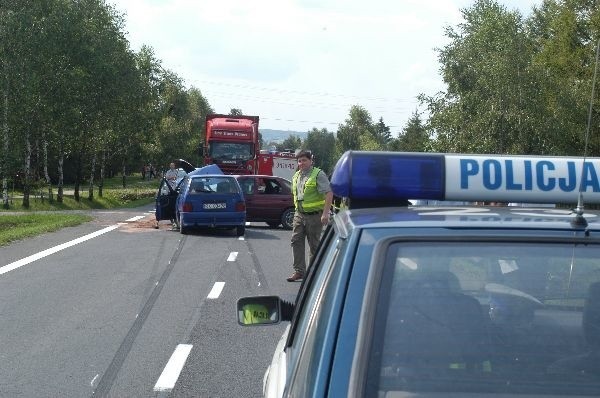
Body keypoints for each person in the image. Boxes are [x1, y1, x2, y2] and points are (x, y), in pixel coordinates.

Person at [287, 150, 334, 282]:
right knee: (296, 241)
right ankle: (299, 271)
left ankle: (313, 273)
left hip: (315, 216)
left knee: (314, 244)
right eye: (299, 161)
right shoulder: (296, 175)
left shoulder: (318, 174)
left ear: (310, 161)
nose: (301, 163)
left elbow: (329, 193)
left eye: (304, 160)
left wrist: (325, 213)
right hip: (299, 215)